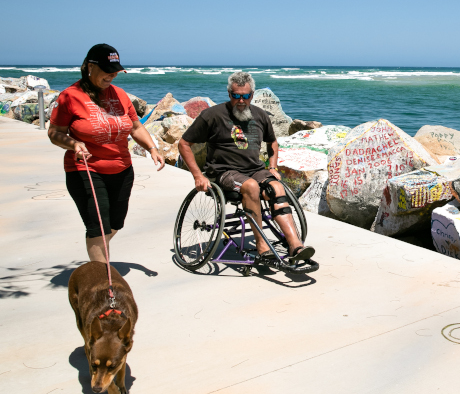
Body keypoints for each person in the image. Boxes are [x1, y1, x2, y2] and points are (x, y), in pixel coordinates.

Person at [178, 71, 314, 261]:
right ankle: (261, 245)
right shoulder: (212, 115)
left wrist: (272, 167)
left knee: (276, 187)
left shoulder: (260, 115)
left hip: (255, 169)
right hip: (223, 172)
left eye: (246, 96)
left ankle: (296, 246)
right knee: (251, 186)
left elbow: (272, 142)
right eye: (236, 96)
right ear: (229, 94)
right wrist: (197, 176)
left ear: (252, 95)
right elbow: (184, 144)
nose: (241, 101)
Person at [48, 43, 165, 262]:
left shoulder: (120, 95)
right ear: (90, 67)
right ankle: (103, 281)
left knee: (115, 224)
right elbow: (54, 133)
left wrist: (152, 148)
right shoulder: (70, 96)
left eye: (116, 71)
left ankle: (98, 257)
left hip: (122, 169)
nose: (112, 75)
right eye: (107, 70)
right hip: (86, 169)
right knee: (99, 227)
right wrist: (73, 144)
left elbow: (136, 127)